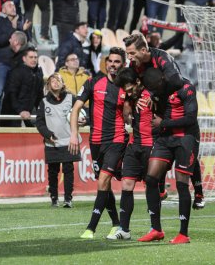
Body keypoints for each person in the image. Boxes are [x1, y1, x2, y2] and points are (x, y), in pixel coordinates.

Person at [68, 47, 128, 239]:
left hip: (116, 140)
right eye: (110, 61)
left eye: (117, 62)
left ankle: (90, 228)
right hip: (95, 141)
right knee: (104, 184)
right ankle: (116, 224)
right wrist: (74, 134)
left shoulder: (127, 87)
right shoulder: (93, 82)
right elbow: (76, 109)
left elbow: (128, 116)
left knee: (103, 180)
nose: (112, 65)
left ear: (123, 65)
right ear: (106, 63)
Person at [137, 67, 199, 244]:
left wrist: (163, 122)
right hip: (165, 138)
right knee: (150, 179)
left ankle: (183, 234)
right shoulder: (157, 90)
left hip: (184, 138)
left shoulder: (186, 88)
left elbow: (191, 118)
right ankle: (156, 229)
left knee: (181, 184)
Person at [107, 67, 159, 240]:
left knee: (150, 185)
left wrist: (155, 99)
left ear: (137, 82)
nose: (127, 91)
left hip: (149, 145)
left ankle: (155, 228)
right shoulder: (131, 98)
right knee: (126, 185)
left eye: (128, 88)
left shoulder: (151, 95)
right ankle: (124, 230)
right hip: (133, 145)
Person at [36, 73, 81, 207]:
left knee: (68, 169)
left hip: (69, 141)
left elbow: (83, 112)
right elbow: (39, 122)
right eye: (52, 80)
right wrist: (47, 134)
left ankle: (68, 199)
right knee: (53, 171)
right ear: (48, 85)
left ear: (63, 83)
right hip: (52, 142)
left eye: (58, 80)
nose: (55, 82)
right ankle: (54, 198)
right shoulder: (44, 102)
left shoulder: (71, 98)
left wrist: (83, 120)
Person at [0, 0, 31, 115]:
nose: (13, 7)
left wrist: (23, 31)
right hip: (3, 63)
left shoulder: (20, 21)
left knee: (13, 93)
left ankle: (11, 120)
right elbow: (0, 40)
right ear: (3, 9)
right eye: (9, 6)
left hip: (17, 64)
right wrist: (14, 28)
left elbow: (26, 41)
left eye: (14, 5)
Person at [123, 32, 184, 97]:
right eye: (127, 54)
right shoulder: (134, 63)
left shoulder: (162, 57)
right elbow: (132, 85)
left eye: (132, 53)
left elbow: (177, 82)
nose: (129, 57)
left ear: (143, 50)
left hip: (171, 96)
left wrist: (153, 95)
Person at [0, 47, 44, 127]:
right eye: (31, 57)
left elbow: (39, 95)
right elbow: (11, 94)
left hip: (28, 112)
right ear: (24, 59)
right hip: (13, 113)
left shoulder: (38, 73)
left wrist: (43, 109)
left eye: (35, 57)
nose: (34, 60)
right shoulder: (16, 72)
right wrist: (21, 111)